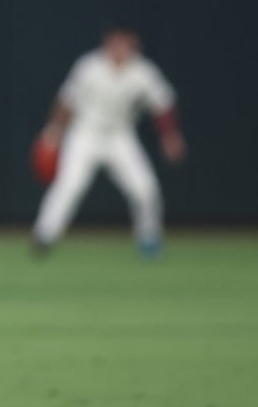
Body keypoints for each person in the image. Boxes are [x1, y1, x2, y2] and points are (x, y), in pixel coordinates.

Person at [32, 25, 186, 256]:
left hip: (120, 136)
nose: (119, 46)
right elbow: (66, 101)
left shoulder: (142, 71)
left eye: (124, 42)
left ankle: (149, 238)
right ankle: (44, 236)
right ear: (107, 41)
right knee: (69, 186)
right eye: (115, 41)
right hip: (85, 134)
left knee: (145, 188)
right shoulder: (89, 66)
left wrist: (170, 135)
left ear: (134, 43)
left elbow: (162, 104)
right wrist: (54, 131)